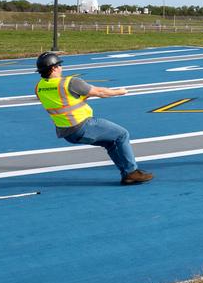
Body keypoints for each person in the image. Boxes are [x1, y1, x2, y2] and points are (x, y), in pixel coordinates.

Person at [33, 51, 154, 185]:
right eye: (59, 65)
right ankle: (132, 172)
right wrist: (120, 92)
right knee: (122, 134)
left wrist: (82, 96)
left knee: (111, 143)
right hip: (83, 126)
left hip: (67, 133)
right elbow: (100, 92)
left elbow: (62, 101)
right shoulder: (70, 82)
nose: (61, 67)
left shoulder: (39, 87)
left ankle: (127, 173)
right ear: (54, 68)